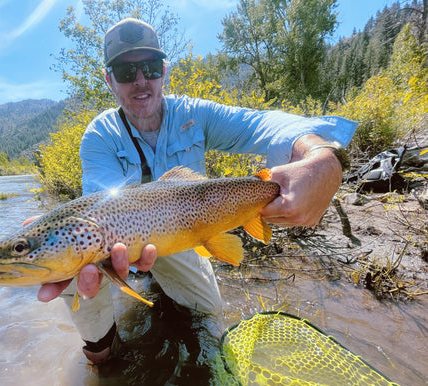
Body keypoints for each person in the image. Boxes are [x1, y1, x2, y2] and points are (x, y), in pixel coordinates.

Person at [37, 18, 357, 364]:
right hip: (125, 241)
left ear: (164, 70)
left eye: (150, 67)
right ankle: (102, 352)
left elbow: (263, 124)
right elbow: (101, 208)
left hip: (188, 235)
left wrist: (324, 157)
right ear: (109, 80)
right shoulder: (100, 135)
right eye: (126, 71)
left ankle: (167, 299)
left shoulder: (194, 113)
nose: (141, 81)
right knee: (79, 264)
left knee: (208, 315)